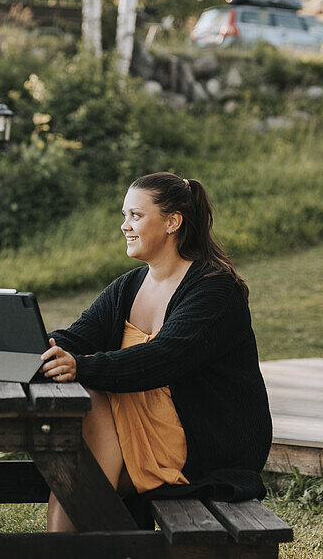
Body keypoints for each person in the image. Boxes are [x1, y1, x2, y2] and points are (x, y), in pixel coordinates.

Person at [40, 172, 272, 532]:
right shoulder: (129, 286)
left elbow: (160, 359)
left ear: (172, 222)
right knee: (71, 474)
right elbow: (76, 337)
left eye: (135, 215)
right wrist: (11, 346)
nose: (124, 226)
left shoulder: (214, 290)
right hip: (139, 422)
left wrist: (79, 368)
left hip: (193, 446)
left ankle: (82, 521)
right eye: (124, 215)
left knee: (76, 458)